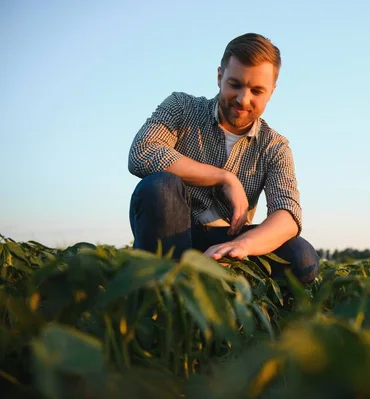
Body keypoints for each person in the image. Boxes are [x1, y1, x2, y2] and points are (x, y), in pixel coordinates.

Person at [127, 33, 319, 284]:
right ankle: (165, 292)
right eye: (235, 85)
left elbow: (287, 214)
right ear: (220, 77)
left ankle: (237, 296)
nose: (243, 99)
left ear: (271, 91)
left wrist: (244, 244)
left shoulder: (274, 146)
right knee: (160, 186)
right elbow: (142, 152)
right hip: (172, 232)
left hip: (230, 239)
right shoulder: (181, 107)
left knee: (302, 256)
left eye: (257, 90)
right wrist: (223, 178)